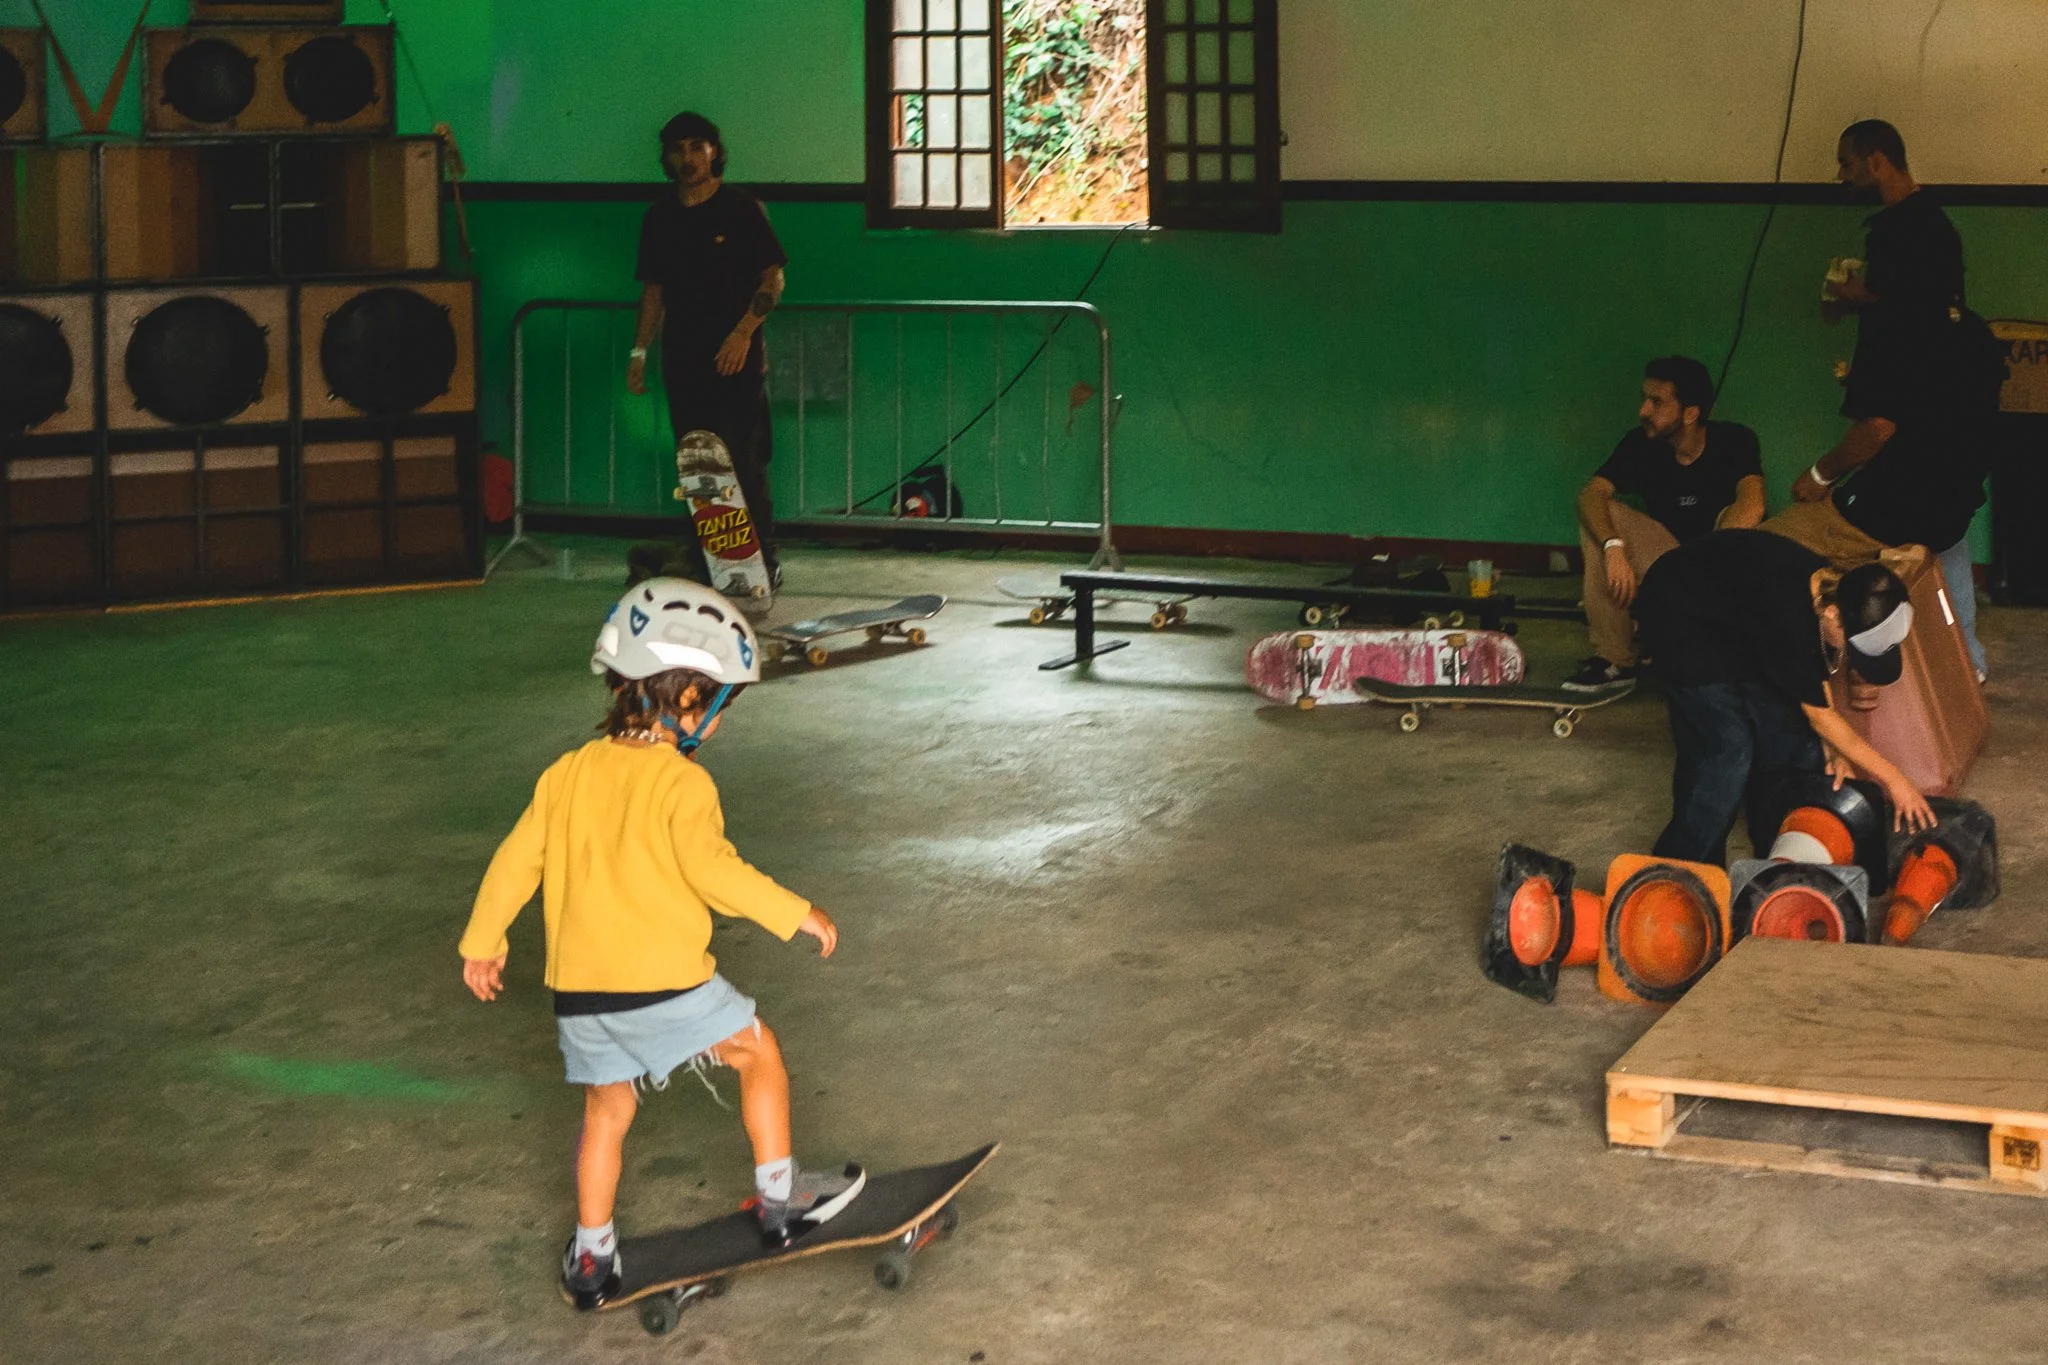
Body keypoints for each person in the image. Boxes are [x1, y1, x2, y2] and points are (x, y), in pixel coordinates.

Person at [458, 579, 862, 1309]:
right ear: (689, 700)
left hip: (581, 996)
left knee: (606, 1114)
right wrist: (795, 911)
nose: (721, 720)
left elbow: (516, 861)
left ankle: (592, 1255)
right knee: (758, 1053)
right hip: (666, 985)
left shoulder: (565, 773)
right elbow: (714, 873)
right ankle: (781, 1199)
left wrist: (483, 942)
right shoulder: (682, 785)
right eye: (721, 704)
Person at [1764, 119, 2001, 678]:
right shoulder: (1960, 325)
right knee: (1942, 536)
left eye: (1847, 163)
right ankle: (1967, 663)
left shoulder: (1893, 327)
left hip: (1898, 497)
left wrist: (1819, 475)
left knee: (1770, 544)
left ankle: (1804, 668)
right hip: (1952, 494)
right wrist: (1863, 302)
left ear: (1876, 161)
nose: (1840, 175)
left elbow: (1877, 429)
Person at [1630, 529, 1936, 865]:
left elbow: (1815, 684)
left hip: (1737, 620)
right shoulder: (1790, 618)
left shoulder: (1832, 589)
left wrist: (1835, 752)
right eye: (1851, 646)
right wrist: (1895, 780)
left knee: (1791, 734)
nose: (1850, 656)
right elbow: (1819, 714)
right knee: (1726, 749)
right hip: (1678, 615)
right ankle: (1681, 867)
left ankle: (1779, 852)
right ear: (1833, 615)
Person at [627, 112, 789, 589]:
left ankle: (764, 560)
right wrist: (639, 352)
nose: (688, 158)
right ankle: (710, 556)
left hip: (736, 358)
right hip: (683, 358)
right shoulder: (659, 218)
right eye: (678, 149)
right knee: (696, 462)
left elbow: (773, 279)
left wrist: (743, 334)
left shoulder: (741, 209)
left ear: (714, 152)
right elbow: (653, 293)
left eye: (697, 147)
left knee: (741, 459)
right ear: (666, 157)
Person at [1565, 356, 1765, 692]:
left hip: (1719, 571)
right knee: (1600, 514)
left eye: (1656, 402)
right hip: (1671, 563)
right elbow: (1590, 494)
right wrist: (1613, 547)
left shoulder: (1734, 440)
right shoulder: (1639, 443)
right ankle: (1615, 658)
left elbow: (1752, 503)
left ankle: (1702, 642)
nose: (1643, 410)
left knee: (1734, 520)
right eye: (1644, 399)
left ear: (1690, 413)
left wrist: (1706, 563)